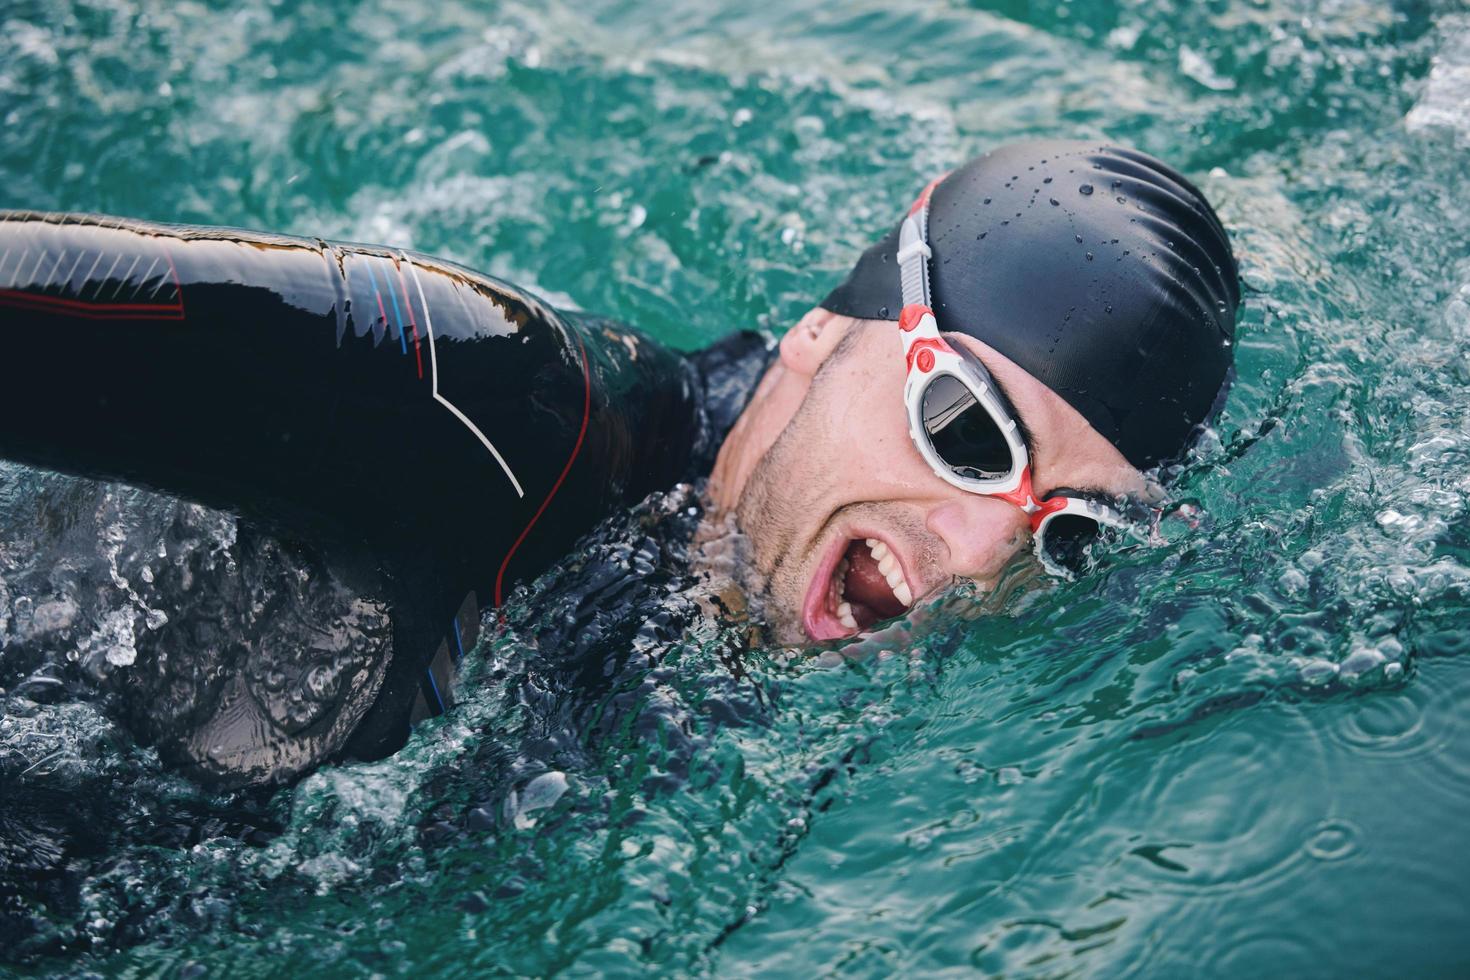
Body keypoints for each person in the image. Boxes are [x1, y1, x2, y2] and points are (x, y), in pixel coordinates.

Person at [0, 139, 1238, 785]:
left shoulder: (812, 697)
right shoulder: (503, 409)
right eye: (970, 430)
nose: (981, 552)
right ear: (826, 334)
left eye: (1069, 530)